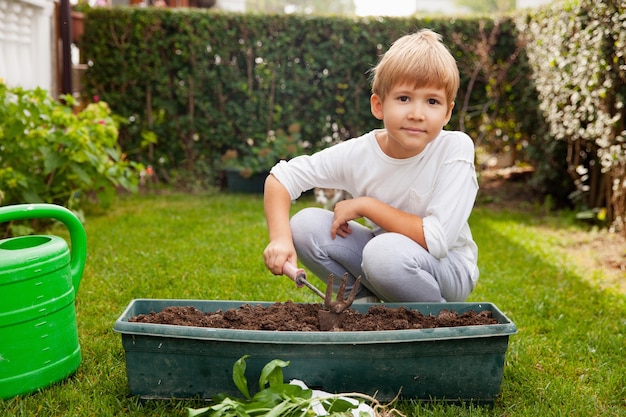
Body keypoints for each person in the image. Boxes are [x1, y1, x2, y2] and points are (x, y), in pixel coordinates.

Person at [262, 29, 478, 303]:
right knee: (305, 226)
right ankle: (365, 306)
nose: (417, 113)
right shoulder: (360, 152)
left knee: (383, 254)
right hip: (385, 258)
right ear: (378, 105)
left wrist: (366, 205)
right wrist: (280, 239)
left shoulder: (455, 148)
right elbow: (281, 178)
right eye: (403, 98)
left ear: (447, 112)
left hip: (448, 267)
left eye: (432, 101)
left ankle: (441, 320)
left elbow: (436, 240)